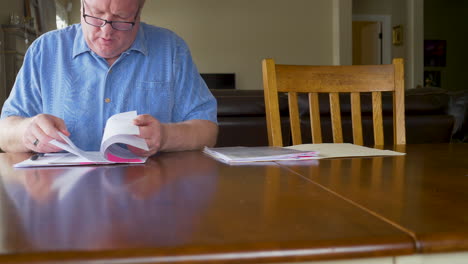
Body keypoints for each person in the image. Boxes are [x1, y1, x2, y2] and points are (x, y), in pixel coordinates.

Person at [0, 0, 218, 156]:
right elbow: (5, 131)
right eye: (95, 15)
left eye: (121, 19)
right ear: (82, 6)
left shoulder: (171, 49)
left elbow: (207, 129)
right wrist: (28, 131)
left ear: (138, 15)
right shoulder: (45, 50)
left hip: (151, 193)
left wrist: (165, 136)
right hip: (64, 198)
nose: (106, 32)